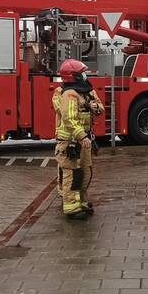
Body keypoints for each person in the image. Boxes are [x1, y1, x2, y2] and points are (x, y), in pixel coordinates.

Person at [53, 59, 104, 220]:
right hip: (70, 141)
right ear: (73, 76)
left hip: (84, 141)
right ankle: (71, 207)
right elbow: (68, 118)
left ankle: (81, 201)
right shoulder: (68, 94)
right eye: (82, 72)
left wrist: (95, 107)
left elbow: (101, 107)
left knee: (85, 172)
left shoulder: (87, 91)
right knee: (71, 174)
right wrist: (81, 135)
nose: (85, 75)